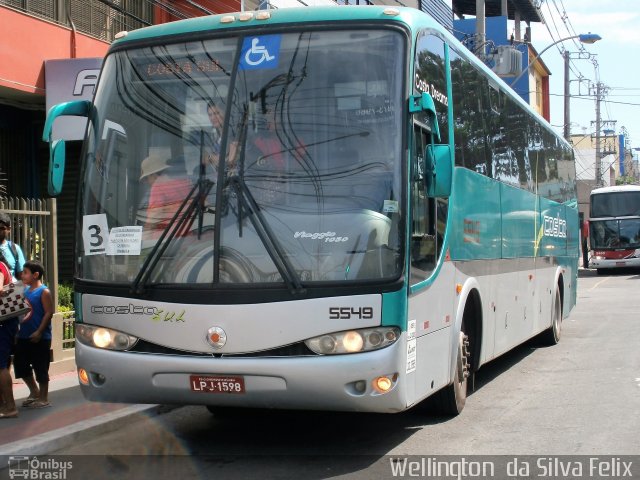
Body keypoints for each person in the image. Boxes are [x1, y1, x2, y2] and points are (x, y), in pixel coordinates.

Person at [13, 261, 54, 409]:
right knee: (20, 365)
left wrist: (39, 331)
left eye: (25, 272)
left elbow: (49, 312)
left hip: (40, 337)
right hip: (23, 336)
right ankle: (34, 391)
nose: (22, 275)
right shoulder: (24, 291)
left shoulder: (44, 291)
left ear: (35, 275)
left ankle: (43, 397)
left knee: (40, 367)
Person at [139, 153, 192, 236]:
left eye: (146, 178)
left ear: (153, 174)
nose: (147, 182)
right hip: (188, 232)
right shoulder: (184, 182)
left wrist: (144, 236)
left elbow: (154, 216)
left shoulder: (158, 186)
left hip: (168, 237)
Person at [0, 251, 18, 418]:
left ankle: (10, 406)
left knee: (0, 366)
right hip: (7, 321)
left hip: (3, 322)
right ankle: (4, 404)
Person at [0, 212, 26, 281]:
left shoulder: (14, 248)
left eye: (2, 228)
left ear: (9, 229)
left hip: (10, 289)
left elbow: (22, 274)